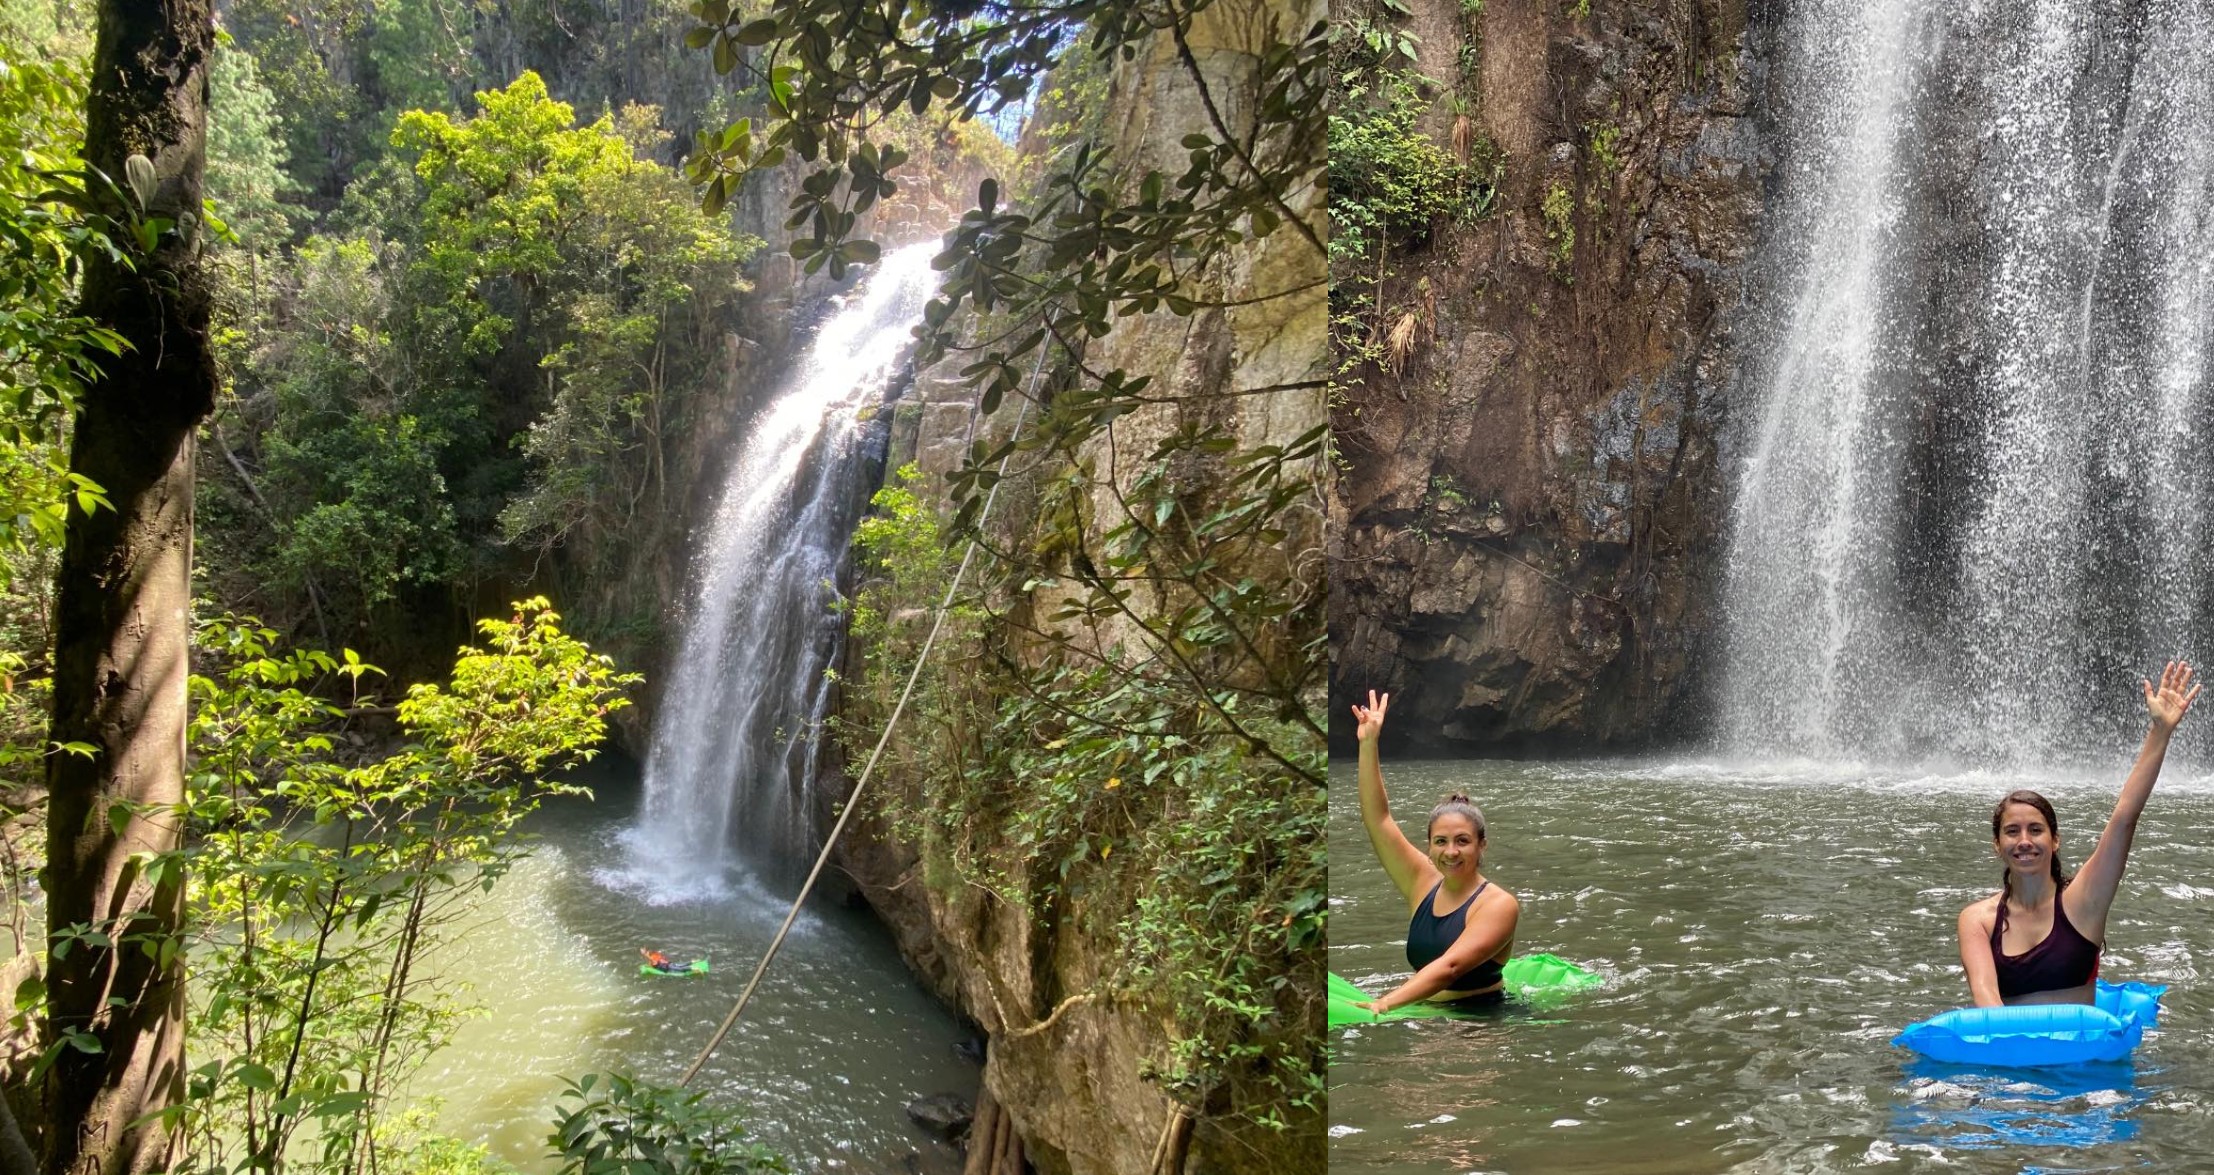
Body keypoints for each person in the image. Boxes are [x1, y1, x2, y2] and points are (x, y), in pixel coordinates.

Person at [1957, 661, 2200, 1007]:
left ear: (2054, 840)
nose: (2024, 841)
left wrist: (2159, 732)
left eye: (2036, 830)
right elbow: (1987, 1000)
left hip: (2084, 1058)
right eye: (2012, 831)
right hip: (2012, 1055)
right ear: (1998, 845)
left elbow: (2124, 819)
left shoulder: (2083, 901)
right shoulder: (1977, 921)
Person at [1350, 689, 1519, 1013]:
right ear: (1428, 846)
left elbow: (1451, 967)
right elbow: (1378, 819)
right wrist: (1368, 743)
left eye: (1463, 841)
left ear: (1482, 844)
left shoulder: (1499, 904)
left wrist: (1385, 1003)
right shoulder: (1421, 880)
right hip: (1427, 1013)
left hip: (1483, 1019)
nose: (1451, 852)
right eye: (1440, 842)